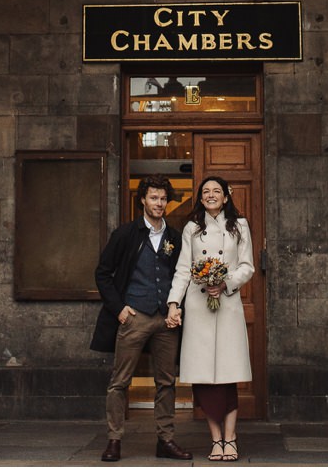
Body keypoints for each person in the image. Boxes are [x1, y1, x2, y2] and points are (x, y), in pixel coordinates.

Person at [92, 176, 193, 464]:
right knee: (119, 382)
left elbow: (181, 276)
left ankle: (166, 439)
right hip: (133, 316)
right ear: (143, 200)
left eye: (163, 198)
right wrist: (119, 309)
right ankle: (114, 439)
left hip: (165, 320)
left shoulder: (174, 237)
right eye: (153, 198)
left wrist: (176, 307)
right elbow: (103, 274)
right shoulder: (125, 234)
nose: (159, 203)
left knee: (166, 382)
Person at [165, 177, 255, 464]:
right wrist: (173, 303)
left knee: (228, 375)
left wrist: (225, 283)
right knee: (204, 376)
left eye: (217, 191)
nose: (211, 195)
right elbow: (182, 269)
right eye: (206, 192)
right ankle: (215, 440)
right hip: (199, 306)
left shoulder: (239, 225)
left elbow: (247, 266)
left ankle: (231, 438)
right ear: (201, 199)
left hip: (227, 306)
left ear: (226, 197)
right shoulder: (192, 228)